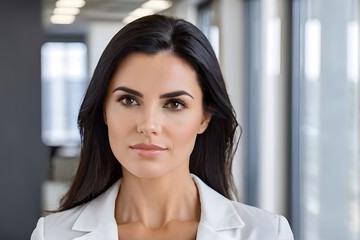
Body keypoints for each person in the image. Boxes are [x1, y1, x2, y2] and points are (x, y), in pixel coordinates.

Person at [31, 14, 294, 240]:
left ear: (204, 118)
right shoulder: (52, 235)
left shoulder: (267, 233)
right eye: (129, 100)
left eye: (174, 104)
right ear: (104, 111)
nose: (148, 125)